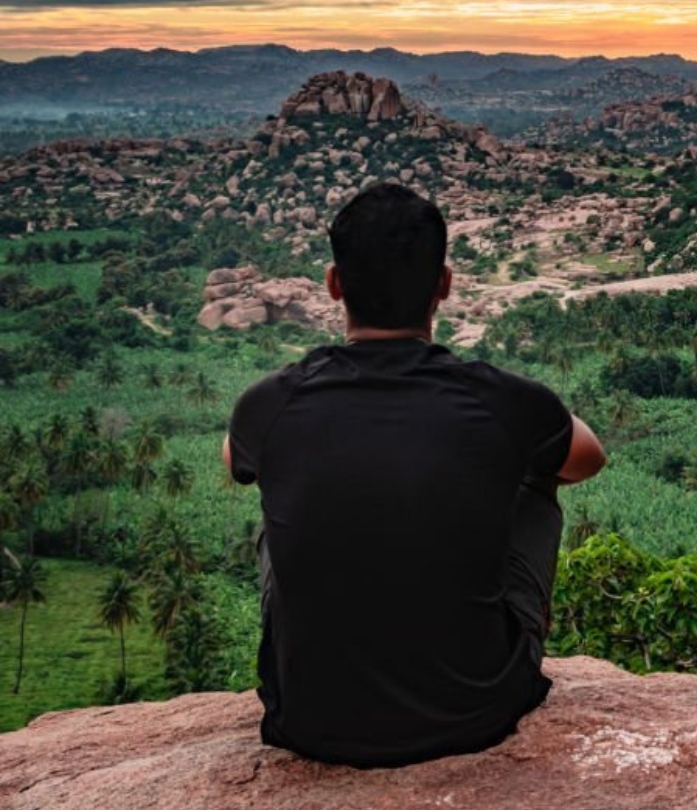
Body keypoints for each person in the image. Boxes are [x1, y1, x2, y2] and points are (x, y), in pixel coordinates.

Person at [221, 182, 605, 767]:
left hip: (309, 718)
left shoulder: (270, 403)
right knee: (536, 479)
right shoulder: (498, 400)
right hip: (475, 712)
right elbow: (588, 457)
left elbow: (234, 460)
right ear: (444, 284)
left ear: (333, 284)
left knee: (275, 492)